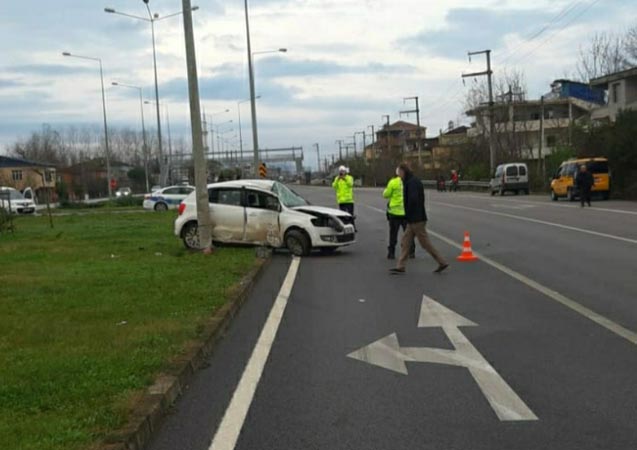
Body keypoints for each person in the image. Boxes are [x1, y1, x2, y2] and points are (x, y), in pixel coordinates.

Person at [390, 163, 449, 275]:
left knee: (425, 243)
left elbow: (413, 200)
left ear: (404, 171)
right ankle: (400, 266)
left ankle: (442, 262)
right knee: (405, 242)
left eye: (399, 174)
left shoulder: (412, 182)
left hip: (416, 219)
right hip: (413, 219)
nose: (399, 176)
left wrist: (408, 213)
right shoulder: (410, 181)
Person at [383, 169, 415, 260]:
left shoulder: (393, 182)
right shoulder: (408, 182)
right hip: (406, 212)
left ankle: (391, 253)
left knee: (393, 234)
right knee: (409, 233)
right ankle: (411, 252)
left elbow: (386, 194)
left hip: (394, 212)